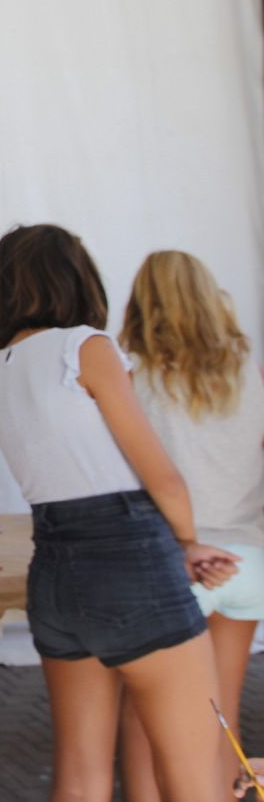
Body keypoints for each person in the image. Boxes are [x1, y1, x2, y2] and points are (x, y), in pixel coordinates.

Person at [0, 224, 238, 802]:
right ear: (77, 277)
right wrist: (189, 542)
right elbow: (162, 475)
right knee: (196, 775)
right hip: (130, 562)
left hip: (53, 571)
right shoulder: (85, 347)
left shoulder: (0, 372)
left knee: (79, 774)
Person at [112, 251, 264, 802]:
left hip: (178, 563)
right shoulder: (248, 373)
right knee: (221, 708)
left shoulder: (131, 379)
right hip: (249, 562)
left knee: (146, 715)